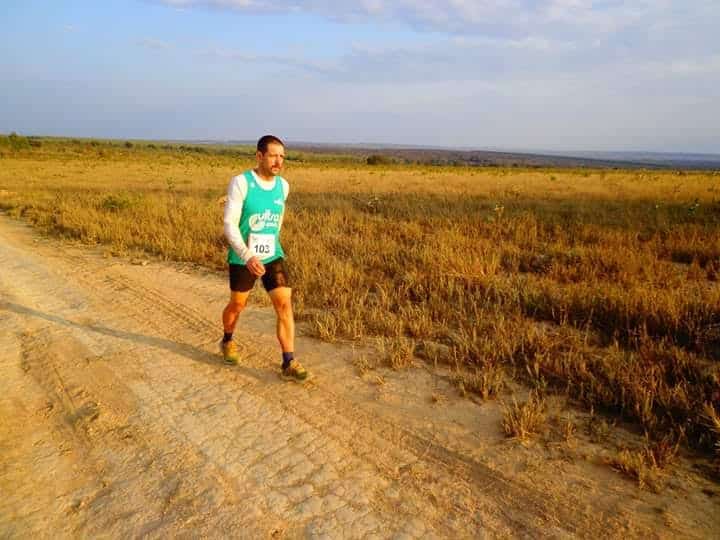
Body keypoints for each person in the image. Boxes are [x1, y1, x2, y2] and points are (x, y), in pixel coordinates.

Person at [220, 135, 308, 381]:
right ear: (259, 156)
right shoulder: (241, 183)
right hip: (243, 256)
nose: (278, 161)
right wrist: (247, 256)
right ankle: (227, 339)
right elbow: (229, 224)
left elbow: (277, 222)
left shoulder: (284, 186)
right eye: (273, 155)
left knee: (284, 304)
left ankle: (288, 362)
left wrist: (271, 247)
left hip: (272, 254)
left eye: (282, 156)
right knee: (237, 305)